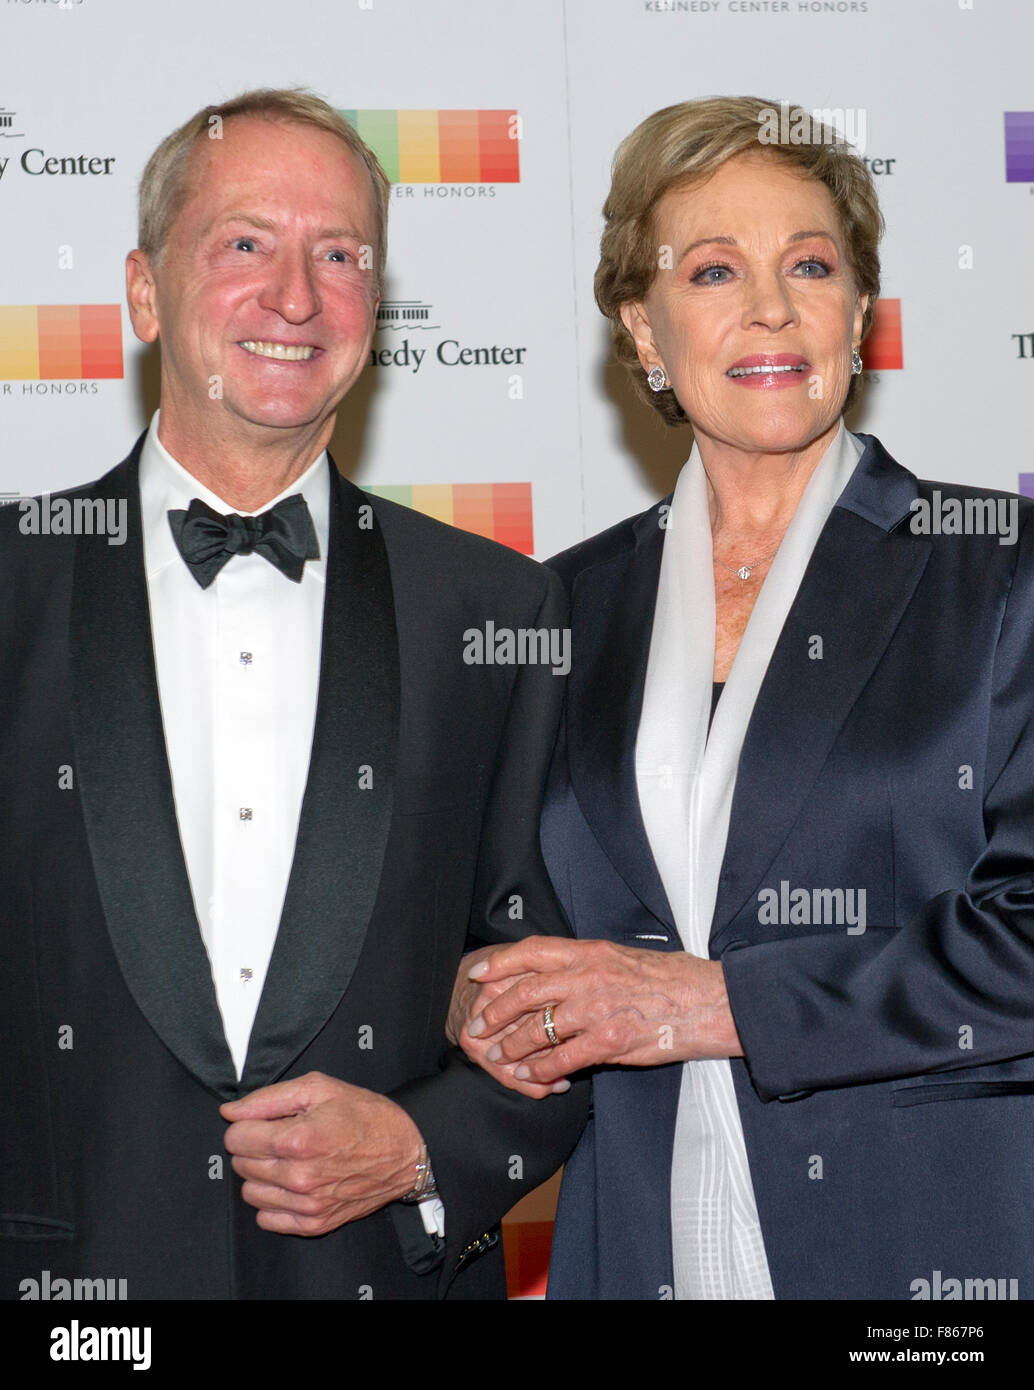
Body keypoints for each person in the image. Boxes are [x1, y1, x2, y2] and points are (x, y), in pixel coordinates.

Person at [0, 88, 587, 1301]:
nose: (296, 297)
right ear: (143, 292)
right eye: (245, 245)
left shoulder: (498, 612)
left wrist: (429, 1147)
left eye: (339, 255)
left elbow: (561, 994)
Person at [453, 96, 1034, 1300]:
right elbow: (501, 918)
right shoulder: (558, 608)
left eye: (808, 266)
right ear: (644, 331)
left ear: (859, 316)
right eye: (712, 269)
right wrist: (476, 994)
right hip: (640, 1241)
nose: (770, 306)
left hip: (939, 1250)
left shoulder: (995, 571)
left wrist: (716, 1003)